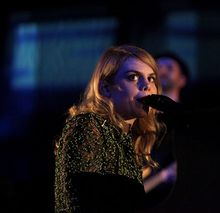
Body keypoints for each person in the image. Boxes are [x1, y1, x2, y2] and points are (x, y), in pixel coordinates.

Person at [54, 45, 165, 212]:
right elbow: (85, 199)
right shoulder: (87, 125)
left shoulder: (128, 136)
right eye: (133, 77)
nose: (146, 86)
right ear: (106, 88)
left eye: (151, 78)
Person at [143, 51, 190, 209]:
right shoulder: (137, 121)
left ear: (182, 80)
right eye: (157, 68)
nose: (162, 71)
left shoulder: (190, 120)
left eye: (169, 68)